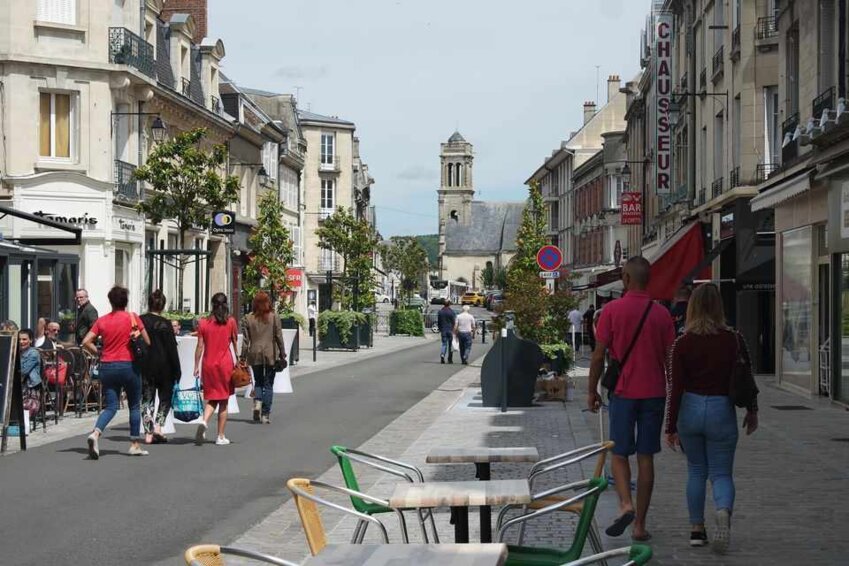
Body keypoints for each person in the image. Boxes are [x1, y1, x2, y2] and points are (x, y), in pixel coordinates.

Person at [588, 256, 676, 541]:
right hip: (654, 393)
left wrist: (593, 390)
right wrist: (674, 394)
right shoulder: (662, 314)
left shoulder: (612, 310)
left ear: (625, 279)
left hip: (624, 393)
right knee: (646, 457)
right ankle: (639, 525)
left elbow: (599, 356)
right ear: (647, 279)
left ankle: (625, 503)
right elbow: (670, 359)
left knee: (619, 452)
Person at [666, 284, 758, 553]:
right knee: (721, 473)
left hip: (690, 409)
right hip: (721, 409)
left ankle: (697, 530)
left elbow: (675, 388)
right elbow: (746, 376)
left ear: (692, 307)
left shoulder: (681, 343)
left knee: (696, 471)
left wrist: (670, 426)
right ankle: (722, 511)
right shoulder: (734, 339)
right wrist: (752, 410)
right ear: (720, 307)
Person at [81, 285, 151, 459]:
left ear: (110, 301)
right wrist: (136, 337)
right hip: (129, 366)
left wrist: (99, 352)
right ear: (125, 301)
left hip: (107, 366)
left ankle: (96, 433)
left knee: (111, 406)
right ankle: (134, 444)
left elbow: (86, 341)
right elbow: (148, 341)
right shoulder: (132, 318)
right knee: (134, 405)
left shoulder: (102, 321)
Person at [193, 292, 238, 446]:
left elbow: (200, 346)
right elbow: (234, 342)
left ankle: (204, 420)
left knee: (213, 397)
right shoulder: (230, 322)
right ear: (226, 304)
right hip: (225, 364)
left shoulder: (204, 323)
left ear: (212, 305)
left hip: (208, 364)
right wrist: (238, 360)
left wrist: (195, 366)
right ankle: (220, 435)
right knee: (224, 400)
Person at [140, 290, 182, 445]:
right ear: (163, 305)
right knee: (165, 398)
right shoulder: (166, 323)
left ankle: (148, 432)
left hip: (146, 365)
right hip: (165, 366)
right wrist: (178, 370)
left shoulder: (141, 320)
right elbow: (172, 348)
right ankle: (158, 426)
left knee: (147, 399)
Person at [241, 291, 285, 424]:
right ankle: (265, 414)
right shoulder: (273, 317)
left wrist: (242, 356)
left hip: (254, 353)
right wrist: (282, 352)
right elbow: (278, 336)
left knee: (258, 381)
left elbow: (245, 340)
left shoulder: (248, 318)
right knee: (269, 384)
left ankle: (257, 403)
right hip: (270, 353)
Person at [437, 299, 457, 364]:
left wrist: (440, 328)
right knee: (450, 345)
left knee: (444, 344)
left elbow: (439, 322)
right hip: (450, 330)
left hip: (443, 330)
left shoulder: (440, 312)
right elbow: (454, 322)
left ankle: (442, 354)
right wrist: (454, 330)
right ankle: (450, 359)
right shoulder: (452, 312)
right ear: (449, 304)